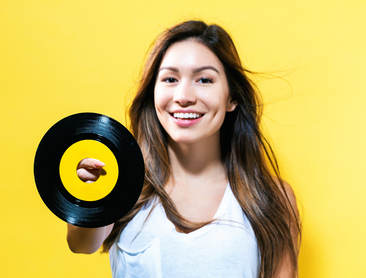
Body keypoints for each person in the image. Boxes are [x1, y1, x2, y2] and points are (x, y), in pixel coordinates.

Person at [67, 20, 301, 278]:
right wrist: (88, 197)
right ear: (152, 93)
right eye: (169, 79)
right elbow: (81, 244)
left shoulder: (272, 197)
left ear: (232, 97)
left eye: (204, 79)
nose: (184, 96)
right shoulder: (126, 186)